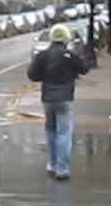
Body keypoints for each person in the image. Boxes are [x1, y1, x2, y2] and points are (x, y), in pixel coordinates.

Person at [28, 23, 90, 180]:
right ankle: (62, 169)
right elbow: (84, 68)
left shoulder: (43, 55)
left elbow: (32, 75)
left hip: (47, 98)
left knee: (50, 130)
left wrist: (44, 75)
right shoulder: (69, 55)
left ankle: (52, 163)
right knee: (64, 132)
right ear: (66, 38)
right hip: (65, 98)